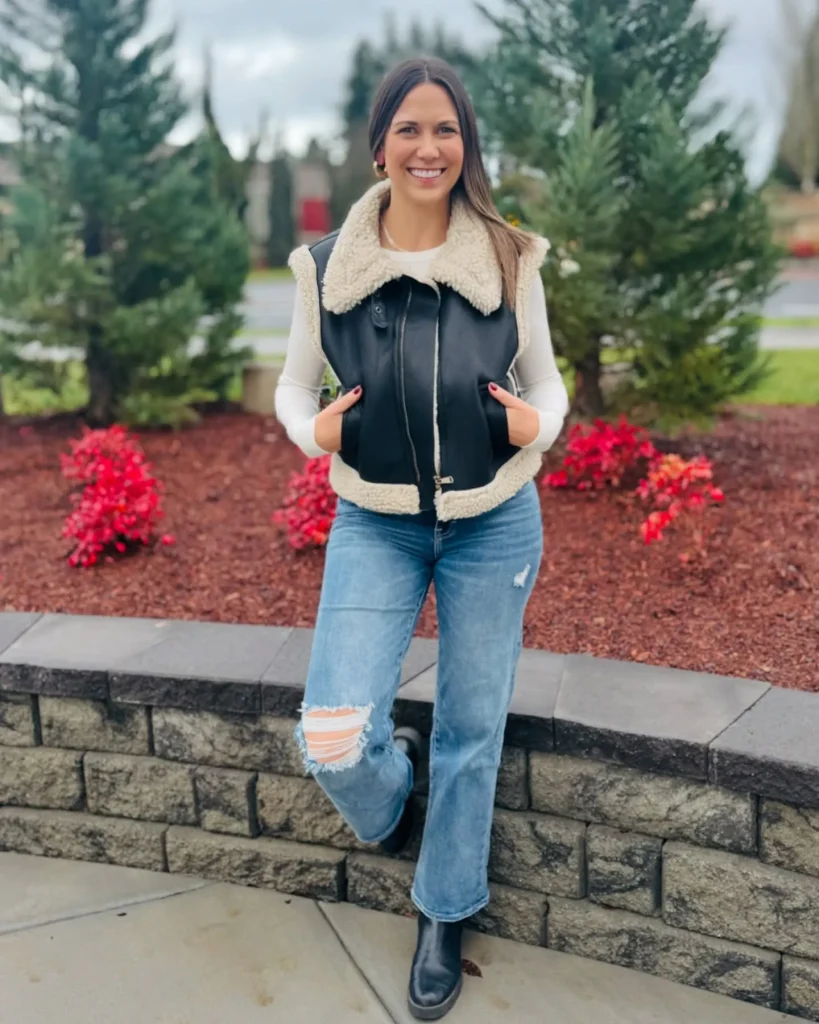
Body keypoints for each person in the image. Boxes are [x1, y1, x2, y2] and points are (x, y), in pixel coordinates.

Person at [275, 56, 569, 1021]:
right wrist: (311, 432)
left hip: (494, 522)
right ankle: (390, 798)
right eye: (409, 128)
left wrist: (537, 425)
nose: (428, 147)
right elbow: (291, 385)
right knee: (331, 739)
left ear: (465, 146)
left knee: (472, 734)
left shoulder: (508, 256)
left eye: (445, 129)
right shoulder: (326, 267)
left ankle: (444, 909)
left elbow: (545, 379)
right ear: (379, 146)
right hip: (375, 520)